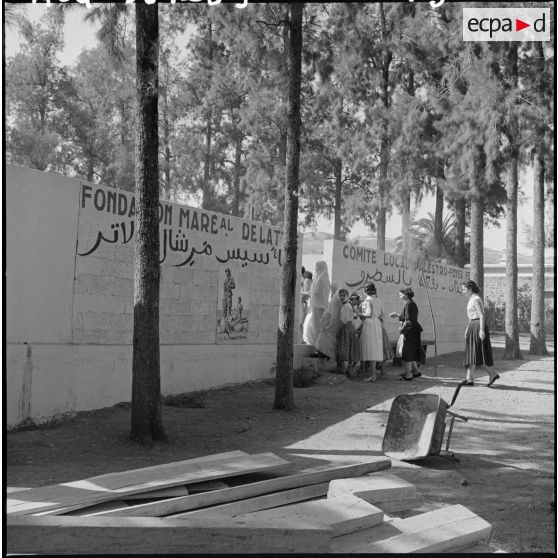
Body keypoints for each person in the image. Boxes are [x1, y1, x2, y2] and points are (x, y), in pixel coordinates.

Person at [461, 280, 498, 386]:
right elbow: (471, 317)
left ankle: (492, 373)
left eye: (464, 289)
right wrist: (468, 328)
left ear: (470, 289)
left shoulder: (476, 299)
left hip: (478, 326)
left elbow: (481, 315)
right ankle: (469, 378)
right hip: (473, 325)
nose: (463, 292)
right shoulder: (471, 299)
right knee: (472, 353)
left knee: (477, 353)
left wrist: (481, 330)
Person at [389, 287, 423, 381]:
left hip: (410, 331)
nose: (399, 295)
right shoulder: (409, 303)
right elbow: (407, 317)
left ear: (406, 295)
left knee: (407, 352)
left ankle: (408, 375)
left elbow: (409, 319)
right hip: (413, 330)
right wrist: (397, 315)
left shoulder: (408, 304)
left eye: (401, 294)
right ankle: (416, 371)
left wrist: (403, 327)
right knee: (410, 351)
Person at [356, 283, 384, 382]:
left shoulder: (368, 300)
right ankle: (373, 374)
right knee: (374, 348)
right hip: (376, 324)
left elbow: (368, 314)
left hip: (370, 324)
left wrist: (357, 312)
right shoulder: (378, 300)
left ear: (365, 291)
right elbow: (381, 313)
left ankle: (372, 375)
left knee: (370, 348)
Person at [302, 261, 330, 348]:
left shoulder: (322, 280)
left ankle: (320, 347)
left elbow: (317, 293)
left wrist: (307, 294)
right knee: (314, 327)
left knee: (318, 328)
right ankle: (317, 346)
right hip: (316, 306)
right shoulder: (319, 278)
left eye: (317, 266)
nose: (316, 268)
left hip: (319, 307)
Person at [369, 286, 394, 376]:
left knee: (379, 349)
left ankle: (375, 372)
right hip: (380, 327)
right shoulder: (378, 301)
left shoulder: (370, 301)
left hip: (376, 328)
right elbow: (383, 314)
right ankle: (382, 370)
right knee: (383, 349)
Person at [316, 283, 343, 360]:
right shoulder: (335, 298)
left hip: (329, 326)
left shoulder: (336, 299)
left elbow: (334, 315)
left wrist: (329, 325)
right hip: (327, 325)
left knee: (326, 343)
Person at [336, 289, 357, 377]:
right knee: (349, 348)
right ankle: (348, 369)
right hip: (350, 328)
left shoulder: (346, 306)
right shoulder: (347, 305)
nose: (341, 297)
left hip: (346, 328)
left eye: (343, 295)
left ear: (347, 295)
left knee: (345, 348)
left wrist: (337, 330)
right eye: (340, 295)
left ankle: (345, 369)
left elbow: (343, 320)